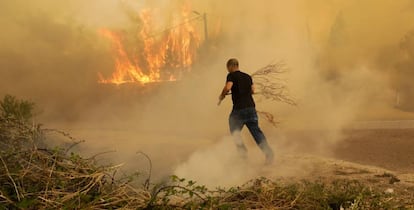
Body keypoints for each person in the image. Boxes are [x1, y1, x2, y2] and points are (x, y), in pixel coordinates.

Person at [218, 58, 274, 164]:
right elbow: (253, 90)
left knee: (235, 132)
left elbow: (228, 87)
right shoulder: (248, 77)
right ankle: (269, 153)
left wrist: (222, 95)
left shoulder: (231, 75)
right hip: (251, 109)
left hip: (239, 110)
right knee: (257, 133)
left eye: (227, 68)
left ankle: (242, 154)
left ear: (230, 66)